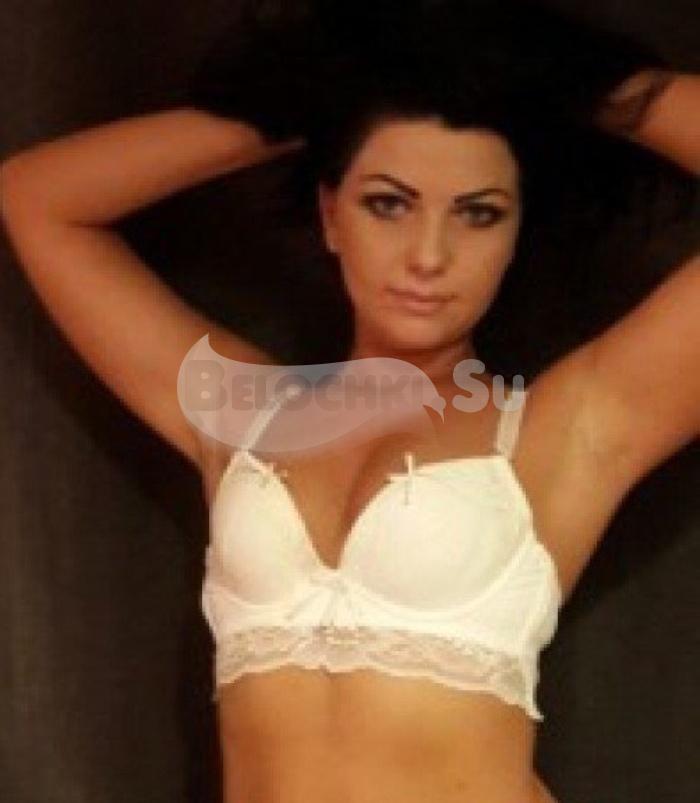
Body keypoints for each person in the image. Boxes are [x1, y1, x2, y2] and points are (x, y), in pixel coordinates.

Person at [1, 1, 698, 801]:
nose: (429, 255)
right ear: (331, 214)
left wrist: (559, 80)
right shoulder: (240, 409)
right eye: (388, 202)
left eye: (478, 214)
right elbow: (36, 197)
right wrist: (317, 103)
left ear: (515, 237)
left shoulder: (564, 431)